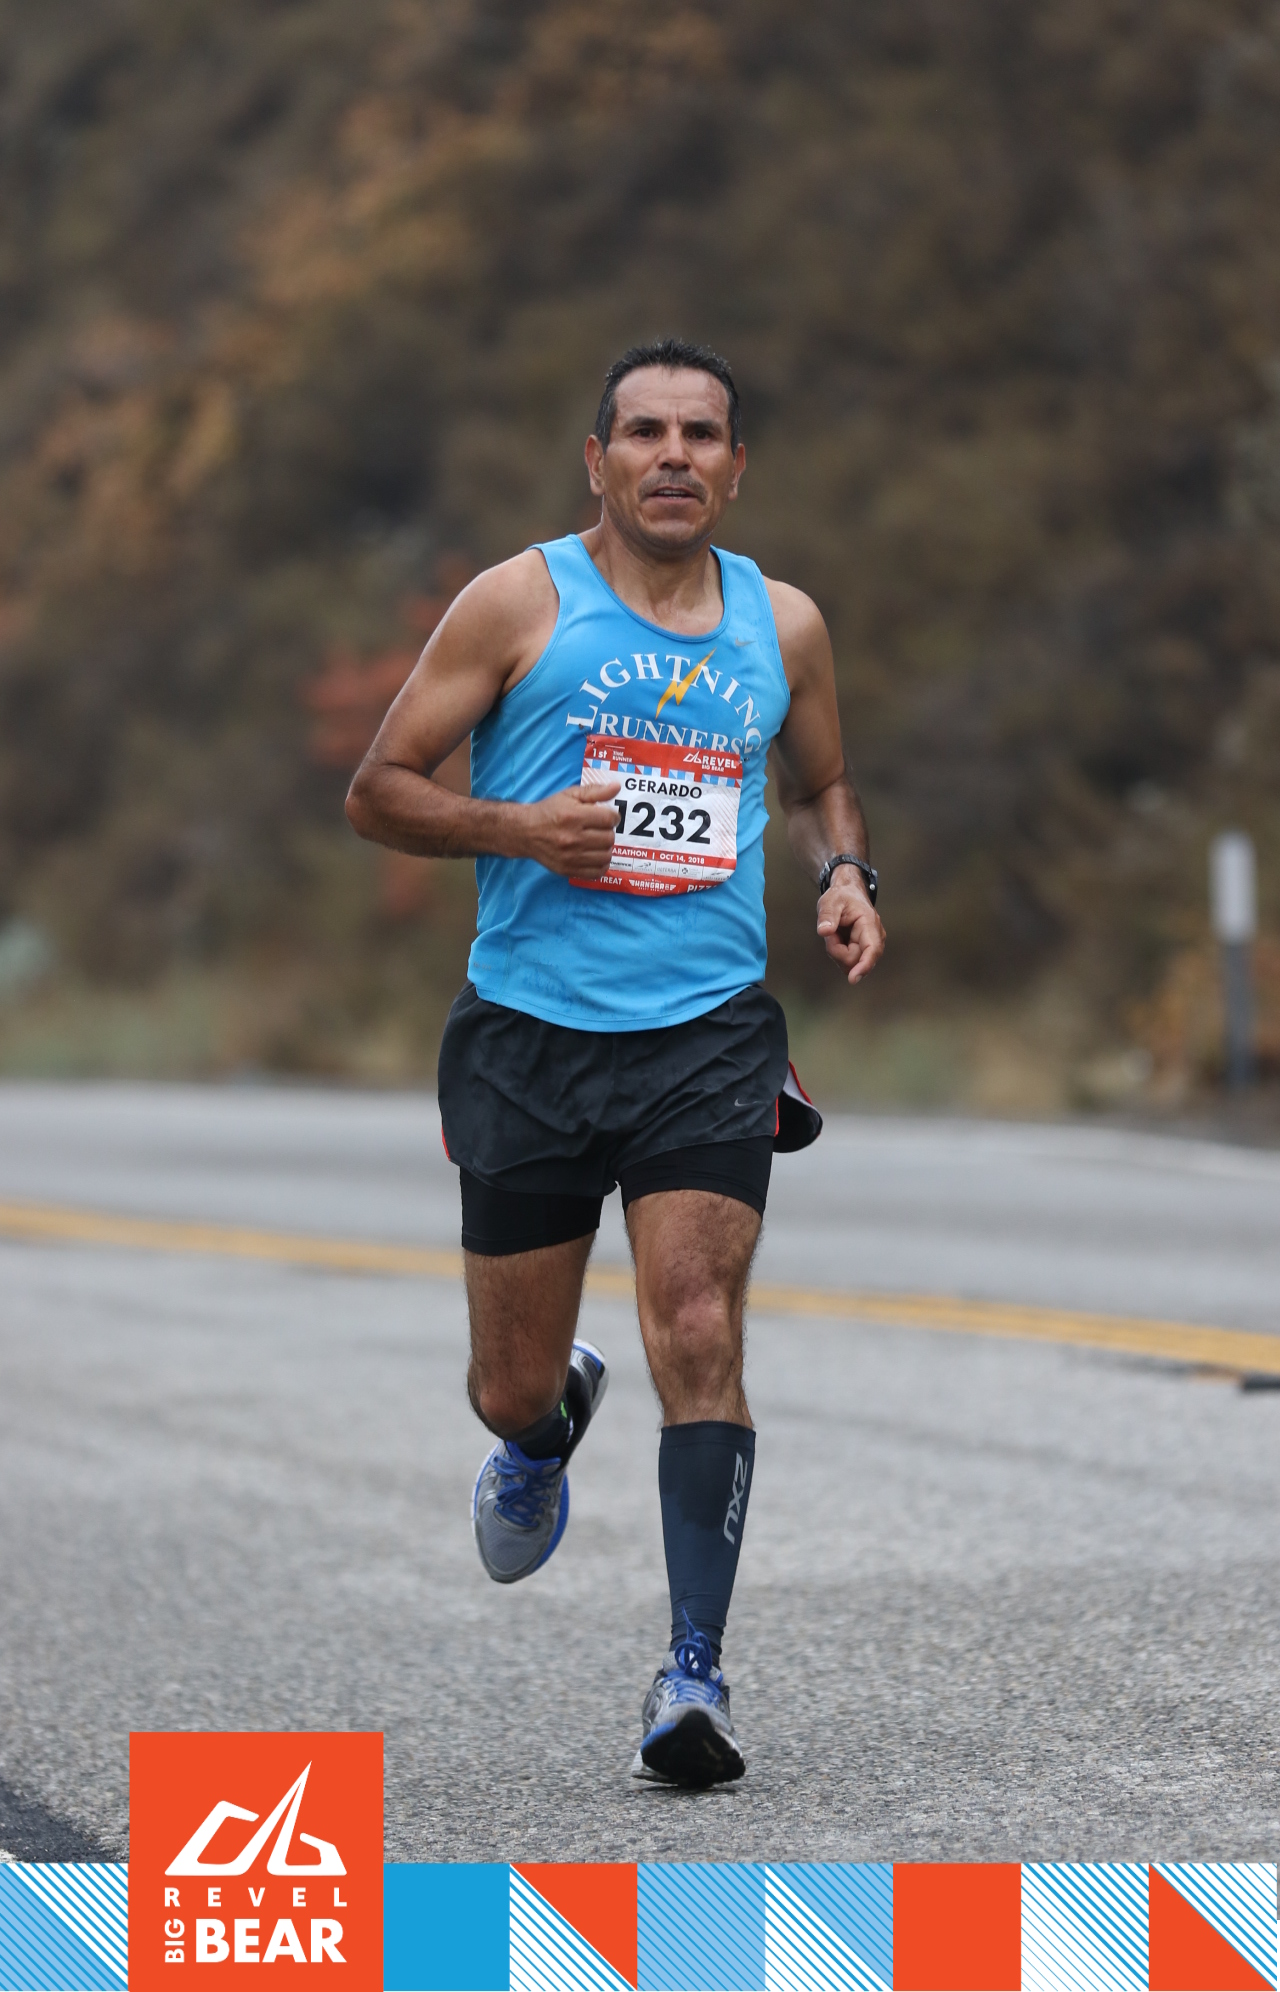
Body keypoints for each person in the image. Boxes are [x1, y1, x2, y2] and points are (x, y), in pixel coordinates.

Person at [346, 337, 885, 1787]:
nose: (673, 456)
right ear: (598, 461)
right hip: (529, 1035)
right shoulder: (517, 603)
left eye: (701, 435)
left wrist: (845, 874)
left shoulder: (784, 624)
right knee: (505, 1384)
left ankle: (692, 1676)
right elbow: (378, 790)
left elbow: (823, 781)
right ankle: (543, 1433)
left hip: (705, 1036)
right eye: (644, 432)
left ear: (736, 467)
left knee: (698, 1328)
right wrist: (523, 830)